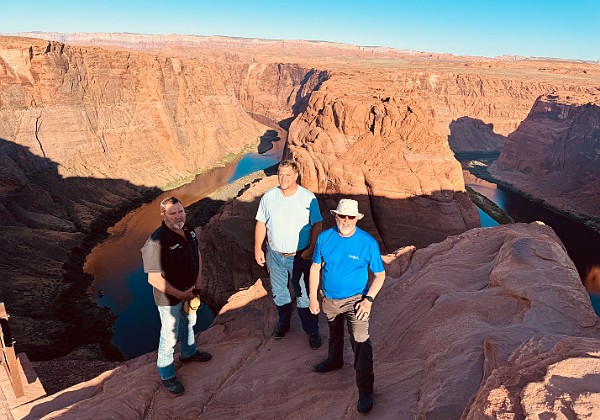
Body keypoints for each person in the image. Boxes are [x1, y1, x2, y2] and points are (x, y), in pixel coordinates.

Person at [309, 199, 386, 413]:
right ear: (335, 216)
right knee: (334, 330)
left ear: (357, 219)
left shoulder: (367, 243)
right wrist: (313, 297)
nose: (346, 221)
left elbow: (380, 275)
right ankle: (335, 360)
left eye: (351, 217)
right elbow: (315, 268)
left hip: (356, 301)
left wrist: (368, 300)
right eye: (342, 216)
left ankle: (366, 392)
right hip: (330, 299)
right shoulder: (325, 238)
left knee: (361, 343)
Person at [141, 196, 212, 395]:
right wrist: (181, 294)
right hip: (170, 299)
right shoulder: (156, 242)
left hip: (190, 290)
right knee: (169, 335)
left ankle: (188, 353)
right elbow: (153, 279)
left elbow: (196, 253)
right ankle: (167, 374)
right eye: (173, 213)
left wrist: (197, 283)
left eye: (181, 211)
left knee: (189, 321)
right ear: (163, 215)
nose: (178, 216)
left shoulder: (188, 229)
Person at [255, 160, 323, 349]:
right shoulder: (269, 197)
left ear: (295, 176)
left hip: (299, 256)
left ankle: (312, 331)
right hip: (275, 255)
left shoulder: (308, 198)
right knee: (279, 293)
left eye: (287, 175)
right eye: (280, 174)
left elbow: (317, 225)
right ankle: (284, 323)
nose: (283, 178)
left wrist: (311, 249)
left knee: (303, 295)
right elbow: (261, 223)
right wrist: (257, 248)